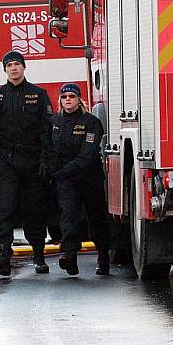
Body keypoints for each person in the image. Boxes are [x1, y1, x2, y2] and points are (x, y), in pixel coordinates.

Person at [0, 50, 55, 276]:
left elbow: (46, 131)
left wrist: (47, 159)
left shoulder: (38, 94)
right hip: (6, 160)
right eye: (9, 65)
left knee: (34, 209)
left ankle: (39, 254)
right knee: (5, 208)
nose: (14, 68)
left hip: (32, 160)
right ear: (4, 69)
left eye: (17, 64)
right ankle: (3, 253)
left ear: (24, 68)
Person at [51, 83, 110, 275]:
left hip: (89, 176)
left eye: (72, 96)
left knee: (96, 217)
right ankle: (69, 255)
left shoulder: (91, 122)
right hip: (66, 179)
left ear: (79, 100)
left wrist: (63, 172)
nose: (68, 99)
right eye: (64, 96)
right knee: (68, 215)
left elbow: (88, 154)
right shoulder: (54, 122)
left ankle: (103, 257)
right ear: (60, 100)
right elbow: (49, 150)